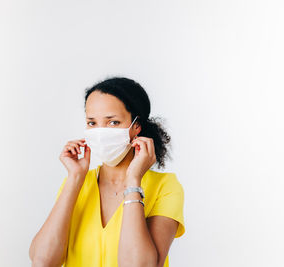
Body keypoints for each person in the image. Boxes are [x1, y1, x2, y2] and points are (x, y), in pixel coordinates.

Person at [29, 77, 185, 267]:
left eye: (113, 123)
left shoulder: (165, 187)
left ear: (136, 126)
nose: (100, 132)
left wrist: (133, 181)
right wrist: (75, 178)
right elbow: (42, 261)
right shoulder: (78, 183)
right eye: (92, 123)